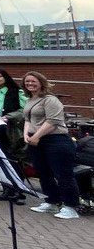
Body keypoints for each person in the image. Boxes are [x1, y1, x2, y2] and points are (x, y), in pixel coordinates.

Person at [20, 72, 79, 219]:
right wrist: (26, 135)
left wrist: (37, 136)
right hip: (36, 141)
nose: (30, 84)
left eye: (33, 81)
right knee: (43, 173)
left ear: (41, 82)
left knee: (63, 174)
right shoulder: (31, 100)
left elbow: (53, 121)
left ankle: (70, 206)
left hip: (55, 140)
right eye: (27, 82)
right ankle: (52, 201)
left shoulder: (50, 100)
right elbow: (27, 119)